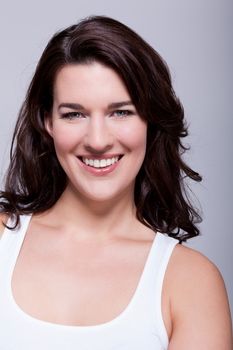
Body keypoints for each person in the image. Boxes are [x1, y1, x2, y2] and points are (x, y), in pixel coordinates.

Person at [0, 15, 232, 349]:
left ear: (150, 119)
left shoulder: (191, 283)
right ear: (47, 121)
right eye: (74, 114)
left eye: (120, 112)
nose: (97, 140)